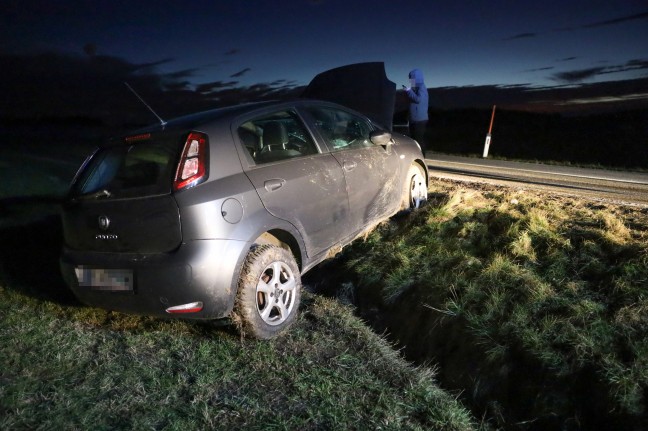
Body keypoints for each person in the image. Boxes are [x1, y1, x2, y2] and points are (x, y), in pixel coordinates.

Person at [403, 68, 429, 153]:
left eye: (411, 78)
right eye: (410, 79)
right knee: (414, 140)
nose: (410, 81)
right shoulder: (416, 88)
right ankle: (416, 155)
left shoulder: (421, 87)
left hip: (419, 120)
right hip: (414, 119)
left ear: (416, 78)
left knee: (418, 140)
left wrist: (408, 91)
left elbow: (418, 99)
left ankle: (422, 157)